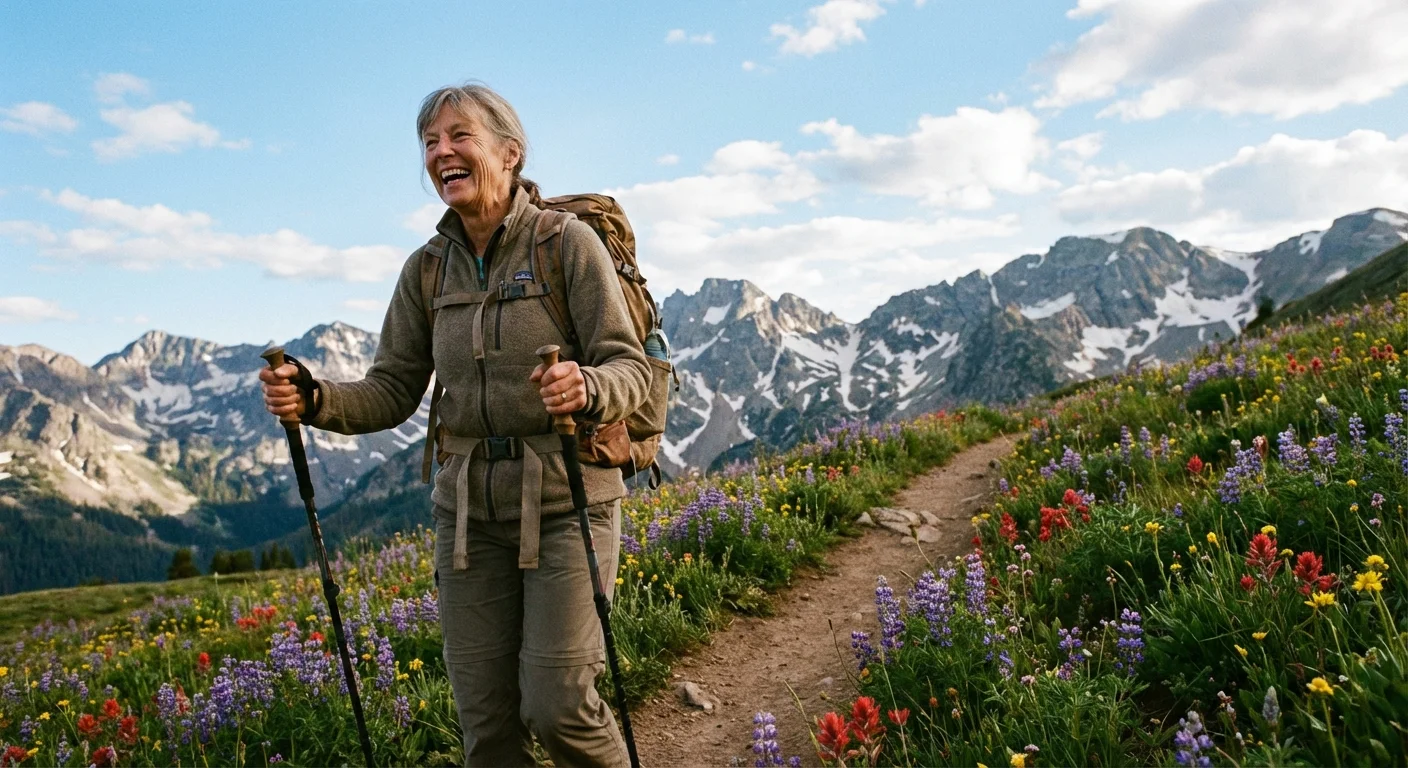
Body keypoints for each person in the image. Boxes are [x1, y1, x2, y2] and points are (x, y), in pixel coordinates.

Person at [260, 82, 649, 767]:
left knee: (560, 706)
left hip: (569, 505)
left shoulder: (568, 246)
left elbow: (630, 367)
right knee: (487, 726)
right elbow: (390, 389)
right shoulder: (426, 271)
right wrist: (315, 398)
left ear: (510, 151)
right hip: (467, 515)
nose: (442, 152)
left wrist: (585, 384)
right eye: (430, 143)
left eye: (458, 136)